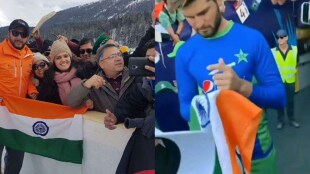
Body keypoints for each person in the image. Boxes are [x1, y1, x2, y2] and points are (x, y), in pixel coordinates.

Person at [175, 0, 286, 173]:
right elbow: (185, 108)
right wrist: (208, 104)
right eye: (190, 17)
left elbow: (279, 96)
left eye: (204, 13)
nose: (198, 24)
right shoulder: (185, 53)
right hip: (217, 153)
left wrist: (241, 86)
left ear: (219, 2)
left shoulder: (252, 38)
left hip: (256, 150)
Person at [104, 39, 156, 174]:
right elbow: (130, 103)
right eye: (148, 59)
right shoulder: (144, 83)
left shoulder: (179, 78)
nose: (151, 63)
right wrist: (116, 116)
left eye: (155, 58)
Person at [0, 19, 38, 174]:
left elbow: (28, 78)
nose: (19, 37)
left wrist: (32, 91)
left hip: (17, 115)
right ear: (9, 33)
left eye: (23, 34)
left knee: (16, 158)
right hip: (0, 113)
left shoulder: (30, 56)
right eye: (15, 33)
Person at [67, 43, 138, 113]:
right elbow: (71, 102)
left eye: (119, 55)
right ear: (101, 64)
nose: (118, 59)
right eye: (112, 56)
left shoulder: (135, 77)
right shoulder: (95, 85)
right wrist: (85, 85)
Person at [271, 29, 300, 129]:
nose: (279, 39)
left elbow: (297, 63)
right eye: (277, 37)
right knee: (279, 101)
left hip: (290, 81)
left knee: (290, 101)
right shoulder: (273, 52)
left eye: (282, 37)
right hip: (278, 82)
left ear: (287, 38)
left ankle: (291, 119)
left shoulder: (295, 49)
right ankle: (280, 120)